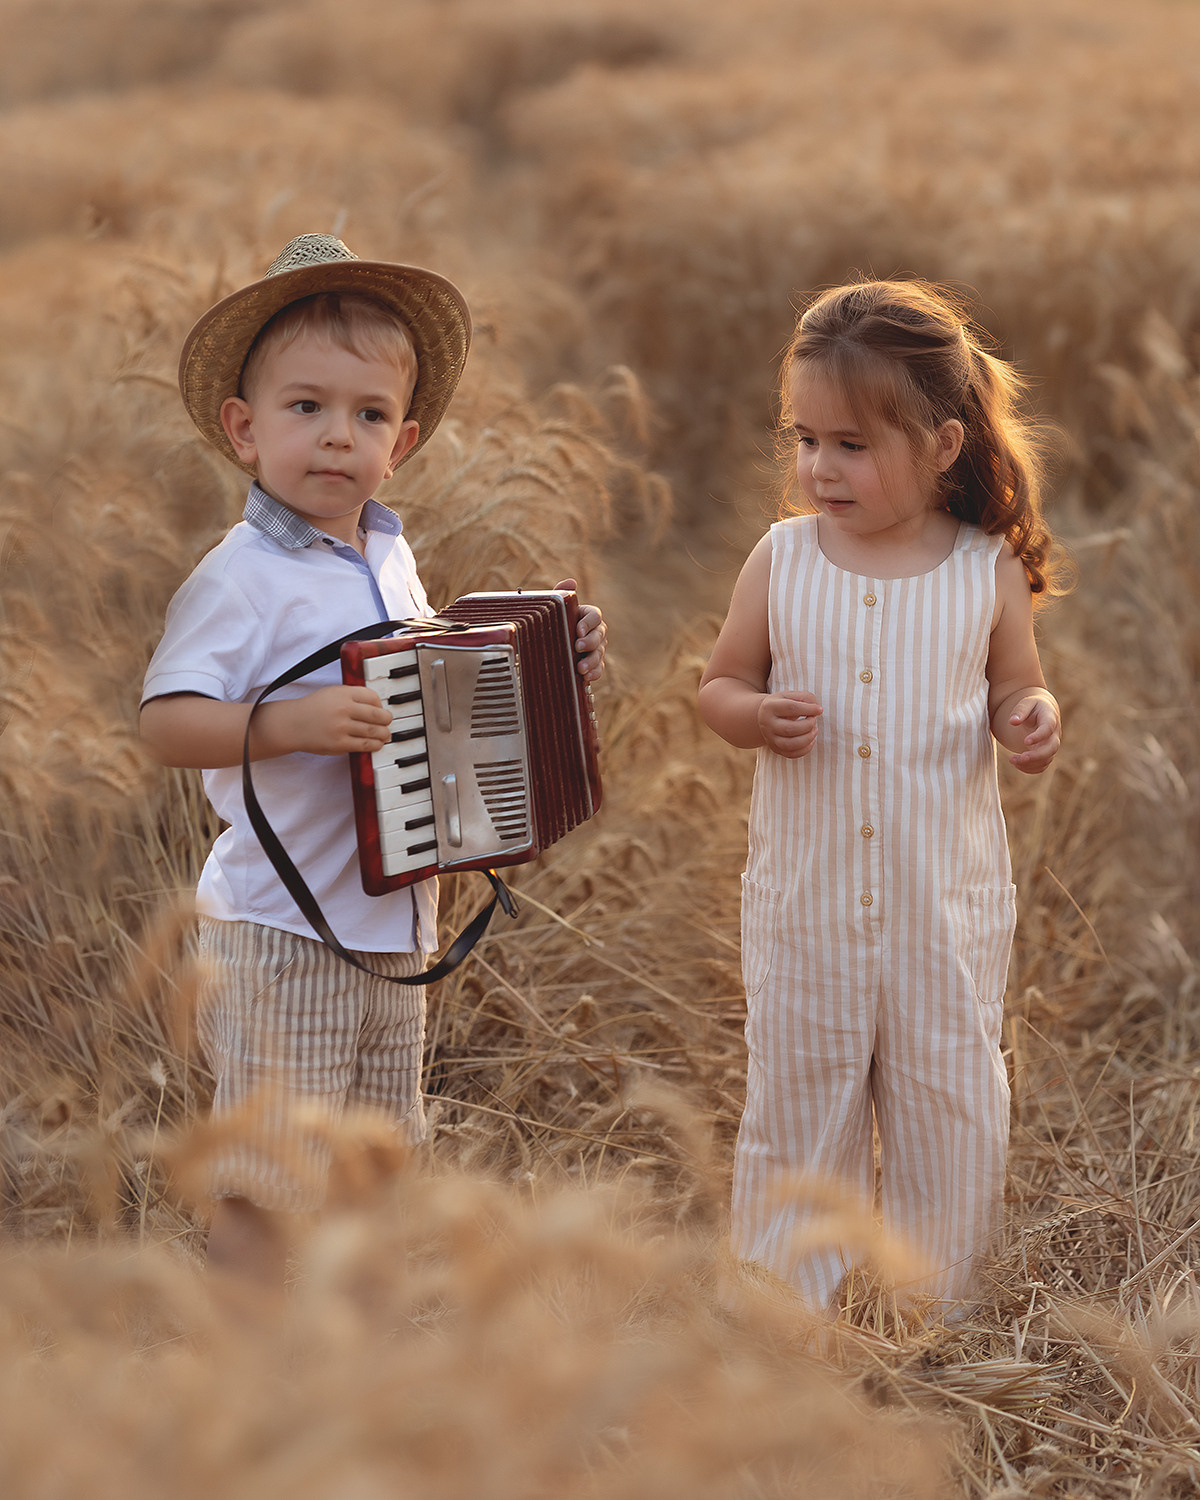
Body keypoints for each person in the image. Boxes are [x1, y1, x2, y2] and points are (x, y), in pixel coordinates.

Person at [140, 234, 606, 1288]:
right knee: (269, 1181)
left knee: (367, 1175)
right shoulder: (241, 575)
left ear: (402, 441)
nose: (336, 438)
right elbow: (168, 722)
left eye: (368, 415)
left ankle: (349, 1389)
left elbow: (429, 696)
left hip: (393, 928)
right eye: (305, 409)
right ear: (244, 429)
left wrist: (549, 665)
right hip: (281, 932)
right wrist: (288, 725)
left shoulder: (389, 554)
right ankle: (244, 1398)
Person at [698, 278, 1063, 1316]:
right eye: (805, 438)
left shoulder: (981, 571)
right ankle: (782, 1306)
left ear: (943, 444)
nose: (820, 467)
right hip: (808, 911)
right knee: (797, 1106)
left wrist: (1032, 718)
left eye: (851, 444)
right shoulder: (783, 558)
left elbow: (1016, 686)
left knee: (947, 1104)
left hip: (939, 914)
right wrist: (751, 715)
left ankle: (932, 1309)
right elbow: (719, 684)